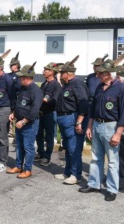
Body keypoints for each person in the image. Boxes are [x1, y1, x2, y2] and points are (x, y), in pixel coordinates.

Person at [79, 58, 124, 201]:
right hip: (97, 124)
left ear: (109, 74)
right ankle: (94, 184)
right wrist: (89, 126)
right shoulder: (99, 87)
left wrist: (118, 134)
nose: (98, 75)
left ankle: (112, 189)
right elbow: (93, 108)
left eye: (101, 73)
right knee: (96, 157)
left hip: (111, 126)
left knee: (113, 160)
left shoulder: (122, 88)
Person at [54, 56, 89, 185]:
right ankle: (67, 172)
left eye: (62, 73)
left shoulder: (77, 84)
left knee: (74, 148)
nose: (60, 76)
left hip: (72, 118)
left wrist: (79, 120)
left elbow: (83, 103)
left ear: (68, 74)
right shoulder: (67, 85)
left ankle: (76, 175)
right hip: (64, 118)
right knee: (68, 147)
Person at [6, 62, 43, 178]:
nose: (19, 79)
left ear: (27, 78)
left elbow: (35, 109)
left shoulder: (36, 90)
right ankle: (18, 166)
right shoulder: (23, 88)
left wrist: (24, 121)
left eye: (21, 77)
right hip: (19, 122)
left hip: (29, 123)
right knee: (19, 146)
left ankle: (27, 169)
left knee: (28, 147)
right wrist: (13, 113)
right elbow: (19, 104)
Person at [35, 62, 62, 166]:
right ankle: (41, 153)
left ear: (51, 72)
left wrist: (45, 99)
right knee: (39, 135)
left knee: (49, 136)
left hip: (50, 113)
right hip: (41, 113)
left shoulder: (56, 85)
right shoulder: (44, 83)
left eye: (46, 70)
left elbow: (55, 99)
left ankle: (47, 157)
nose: (43, 71)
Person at [8, 52, 21, 142]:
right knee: (9, 116)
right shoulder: (8, 75)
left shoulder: (20, 75)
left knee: (18, 117)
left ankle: (17, 135)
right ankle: (9, 131)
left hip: (18, 98)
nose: (12, 67)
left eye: (13, 65)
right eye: (11, 65)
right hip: (9, 98)